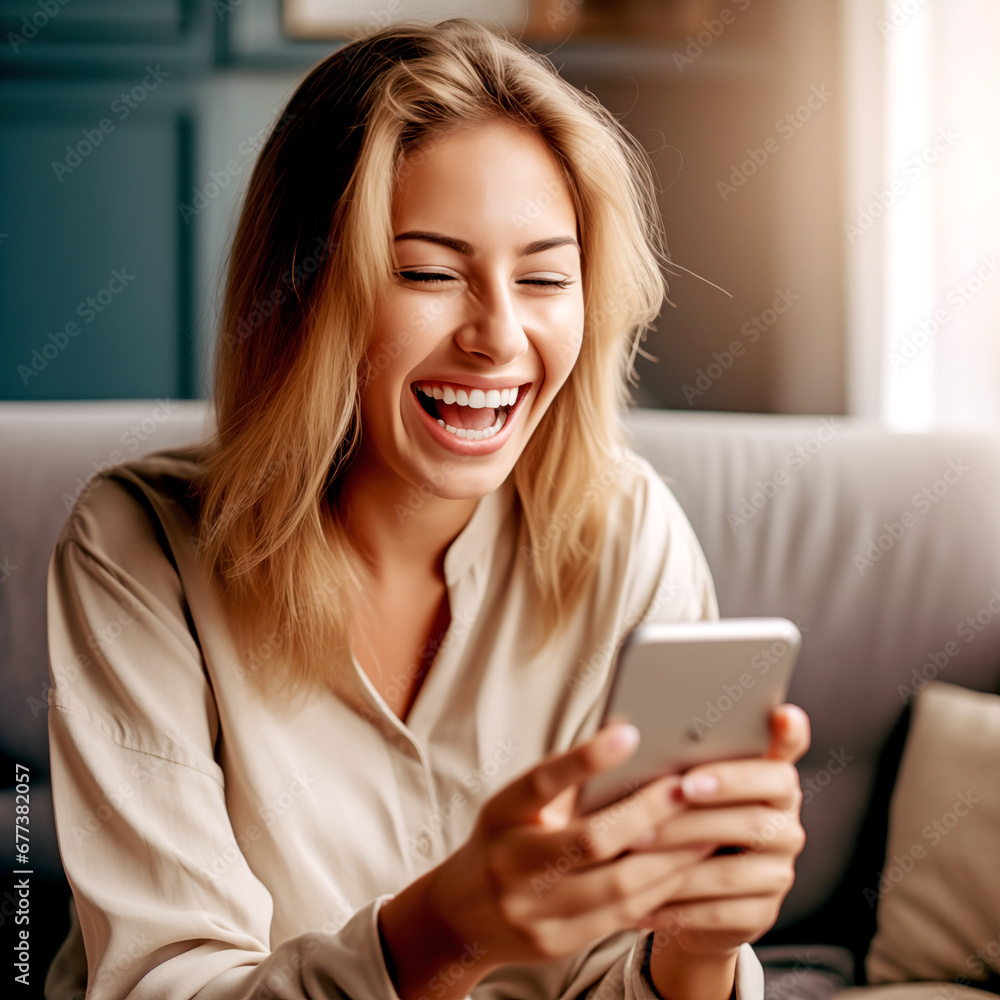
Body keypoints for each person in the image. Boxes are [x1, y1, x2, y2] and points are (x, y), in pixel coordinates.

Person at [44, 17, 809, 1000]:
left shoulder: (630, 535)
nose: (498, 336)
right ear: (305, 292)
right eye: (429, 273)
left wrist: (697, 948)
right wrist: (438, 935)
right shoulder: (135, 550)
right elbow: (161, 984)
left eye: (543, 276)